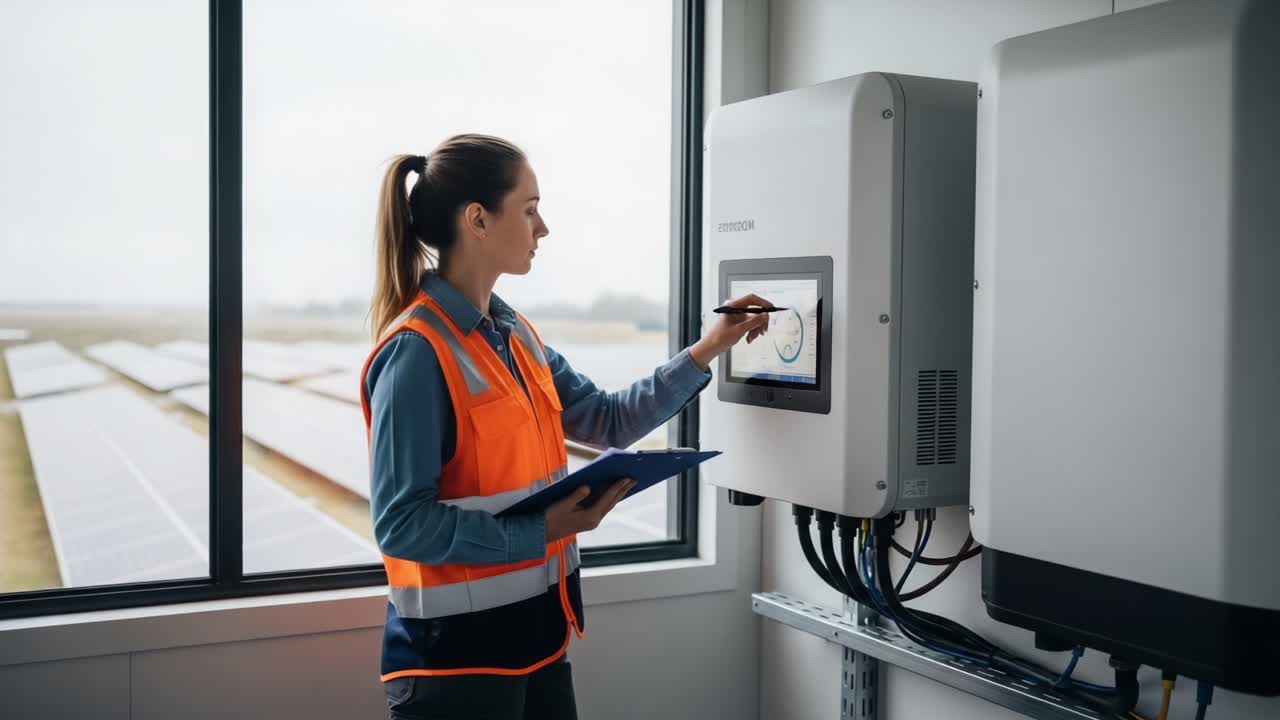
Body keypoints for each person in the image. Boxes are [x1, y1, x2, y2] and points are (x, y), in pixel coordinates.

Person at [360, 134, 773, 720]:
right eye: (529, 210)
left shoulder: (517, 336)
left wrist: (710, 348)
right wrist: (542, 530)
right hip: (454, 665)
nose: (543, 227)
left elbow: (608, 419)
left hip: (535, 643)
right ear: (478, 219)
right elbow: (401, 525)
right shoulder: (416, 354)